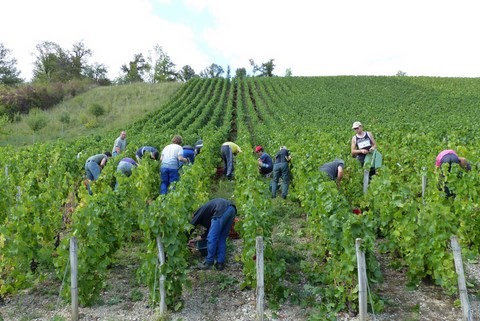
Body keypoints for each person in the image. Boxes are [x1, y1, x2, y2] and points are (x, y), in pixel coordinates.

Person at [188, 198, 237, 270]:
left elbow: (191, 226)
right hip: (232, 209)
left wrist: (185, 239)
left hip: (221, 209)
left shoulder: (198, 213)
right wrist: (194, 240)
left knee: (211, 238)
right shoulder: (208, 213)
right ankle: (220, 264)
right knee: (221, 238)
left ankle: (209, 263)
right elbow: (208, 232)